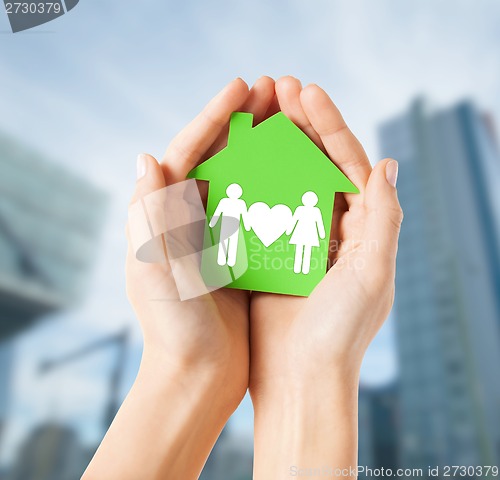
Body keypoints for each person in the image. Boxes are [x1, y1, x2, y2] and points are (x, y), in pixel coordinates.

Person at [82, 76, 402, 480]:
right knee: (235, 253)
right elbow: (221, 218)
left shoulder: (290, 208)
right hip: (236, 248)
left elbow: (292, 221)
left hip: (295, 245)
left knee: (281, 253)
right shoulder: (231, 204)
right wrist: (186, 362)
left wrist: (191, 367)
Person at [209, 182, 249, 267]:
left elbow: (244, 215)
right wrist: (212, 222)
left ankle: (231, 261)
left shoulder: (241, 203)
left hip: (234, 226)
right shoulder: (224, 201)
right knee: (224, 242)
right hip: (225, 224)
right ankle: (221, 260)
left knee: (233, 243)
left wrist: (247, 225)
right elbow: (218, 212)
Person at [286, 190, 325, 274]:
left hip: (310, 233)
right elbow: (294, 220)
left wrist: (322, 234)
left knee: (307, 251)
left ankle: (305, 269)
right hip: (301, 231)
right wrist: (289, 230)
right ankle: (297, 268)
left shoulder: (316, 211)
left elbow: (319, 222)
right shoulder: (300, 209)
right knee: (299, 250)